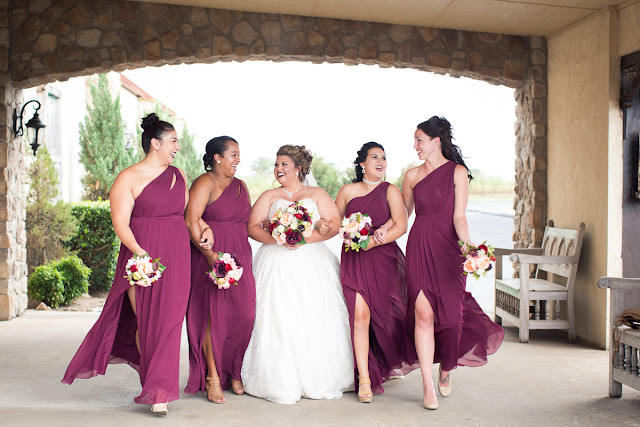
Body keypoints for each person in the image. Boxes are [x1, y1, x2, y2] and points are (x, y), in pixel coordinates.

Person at [62, 113, 210, 416]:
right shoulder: (128, 177)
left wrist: (204, 228)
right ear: (155, 143)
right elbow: (120, 223)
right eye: (173, 141)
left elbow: (186, 215)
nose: (177, 146)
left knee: (169, 323)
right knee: (147, 322)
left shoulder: (178, 175)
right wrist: (140, 253)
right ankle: (154, 383)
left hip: (177, 254)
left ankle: (159, 391)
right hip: (140, 255)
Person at [403, 116, 504, 410]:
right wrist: (378, 233)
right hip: (420, 245)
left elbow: (459, 216)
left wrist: (469, 247)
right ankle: (426, 384)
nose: (415, 145)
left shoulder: (458, 172)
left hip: (449, 249)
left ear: (436, 141)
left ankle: (446, 368)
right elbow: (403, 215)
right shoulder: (411, 176)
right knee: (423, 316)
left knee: (451, 320)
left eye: (419, 140)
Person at [241, 144, 354, 404]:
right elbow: (251, 227)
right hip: (275, 260)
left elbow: (334, 224)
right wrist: (277, 239)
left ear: (298, 169)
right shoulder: (270, 196)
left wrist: (305, 239)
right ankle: (278, 378)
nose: (278, 169)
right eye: (277, 164)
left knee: (312, 312)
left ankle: (319, 374)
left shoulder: (316, 193)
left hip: (312, 260)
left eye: (284, 164)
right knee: (277, 314)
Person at [334, 142, 418, 403]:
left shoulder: (391, 190)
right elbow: (335, 223)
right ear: (362, 163)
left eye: (383, 158)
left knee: (386, 318)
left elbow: (401, 225)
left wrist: (372, 241)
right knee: (359, 316)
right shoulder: (347, 191)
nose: (380, 161)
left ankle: (383, 359)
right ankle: (365, 378)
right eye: (374, 157)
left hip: (383, 260)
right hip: (355, 261)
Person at [184, 136, 256, 404]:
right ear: (217, 157)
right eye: (233, 154)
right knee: (213, 318)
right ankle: (213, 376)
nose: (238, 159)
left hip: (240, 254)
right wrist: (210, 255)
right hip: (210, 256)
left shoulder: (242, 186)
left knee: (245, 315)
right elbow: (191, 219)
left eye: (239, 154)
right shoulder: (205, 182)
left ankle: (234, 370)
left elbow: (248, 223)